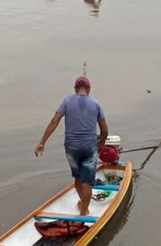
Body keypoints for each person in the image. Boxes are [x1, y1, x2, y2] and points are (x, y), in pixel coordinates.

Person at [34, 75, 108, 217]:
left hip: (71, 147)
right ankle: (84, 211)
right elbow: (104, 130)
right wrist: (102, 144)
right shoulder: (96, 104)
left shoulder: (66, 101)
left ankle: (83, 204)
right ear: (89, 89)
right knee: (87, 181)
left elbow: (54, 121)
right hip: (89, 147)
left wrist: (42, 142)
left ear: (75, 89)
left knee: (78, 179)